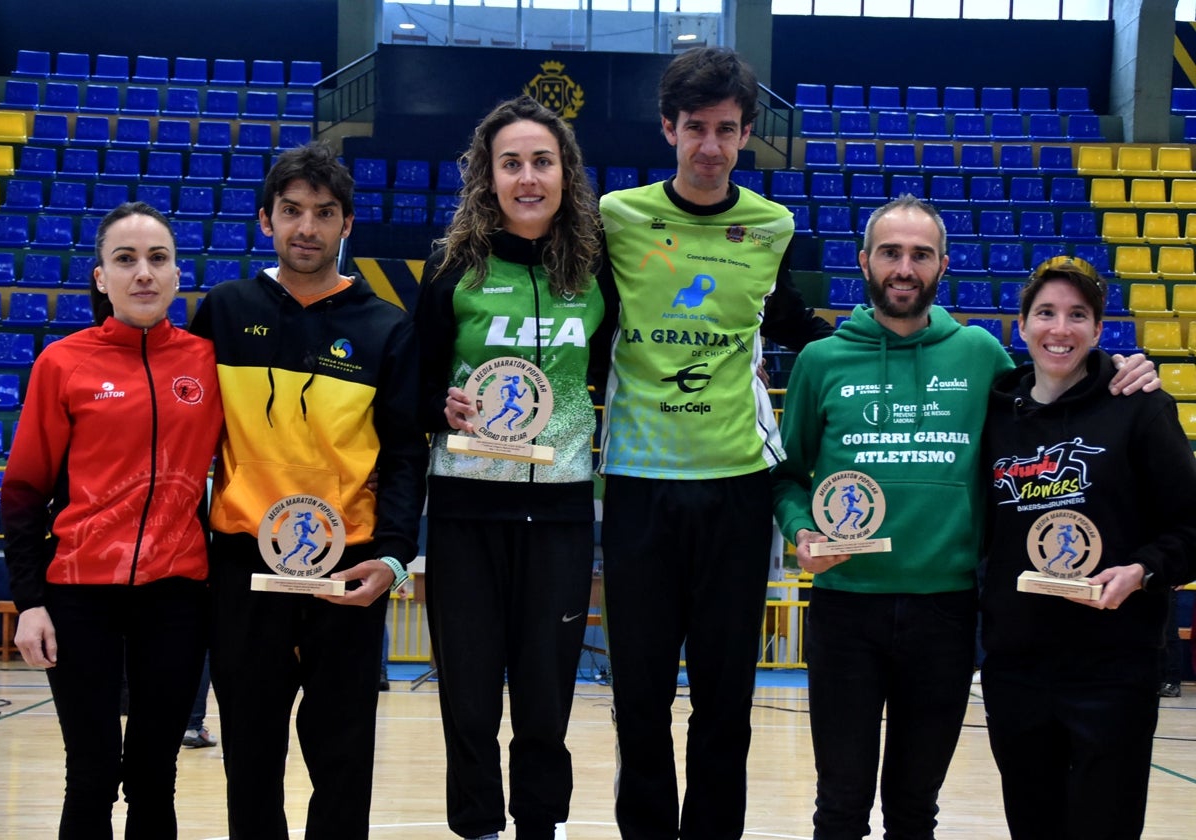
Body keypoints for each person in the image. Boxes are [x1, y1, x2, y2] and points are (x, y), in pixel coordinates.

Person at [771, 196, 1158, 840]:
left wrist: (1117, 368)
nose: (904, 267)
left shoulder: (979, 355)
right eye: (891, 252)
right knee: (839, 804)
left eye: (920, 255)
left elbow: (1052, 399)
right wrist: (800, 532)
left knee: (915, 807)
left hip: (946, 613)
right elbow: (787, 477)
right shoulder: (820, 362)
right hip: (846, 610)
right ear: (864, 262)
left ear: (943, 265)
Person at [597, 47, 833, 839]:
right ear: (668, 128)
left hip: (738, 488)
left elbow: (794, 322)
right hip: (636, 484)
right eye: (694, 127)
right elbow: (580, 330)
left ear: (744, 136)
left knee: (726, 701)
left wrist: (893, 339)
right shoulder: (617, 216)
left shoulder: (771, 227)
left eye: (726, 130)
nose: (709, 146)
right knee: (640, 697)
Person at [190, 142, 428, 840]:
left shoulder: (387, 326)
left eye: (324, 214)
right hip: (244, 571)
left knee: (344, 760)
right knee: (251, 762)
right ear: (266, 220)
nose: (307, 228)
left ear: (347, 225)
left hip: (345, 573)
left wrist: (392, 557)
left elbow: (406, 453)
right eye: (291, 212)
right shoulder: (224, 312)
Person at [415, 94, 607, 840]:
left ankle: (539, 824)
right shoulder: (452, 269)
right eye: (512, 163)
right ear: (487, 178)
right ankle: (478, 826)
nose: (528, 177)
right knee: (466, 691)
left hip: (559, 507)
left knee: (545, 689)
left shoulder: (595, 274)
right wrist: (443, 407)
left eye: (542, 162)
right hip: (466, 506)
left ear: (566, 173)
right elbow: (415, 387)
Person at [5, 202, 222, 838]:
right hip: (79, 598)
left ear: (178, 274)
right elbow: (22, 491)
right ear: (101, 277)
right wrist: (30, 602)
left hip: (177, 597)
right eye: (125, 260)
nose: (143, 273)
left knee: (156, 776)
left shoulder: (206, 364)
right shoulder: (63, 364)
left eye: (157, 258)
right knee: (92, 773)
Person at [980, 256, 1196, 839]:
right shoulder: (995, 412)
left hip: (1112, 669)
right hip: (1016, 670)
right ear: (1021, 326)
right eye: (1045, 313)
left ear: (1099, 330)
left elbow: (1191, 526)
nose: (1061, 328)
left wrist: (1145, 571)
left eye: (1078, 315)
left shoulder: (1140, 406)